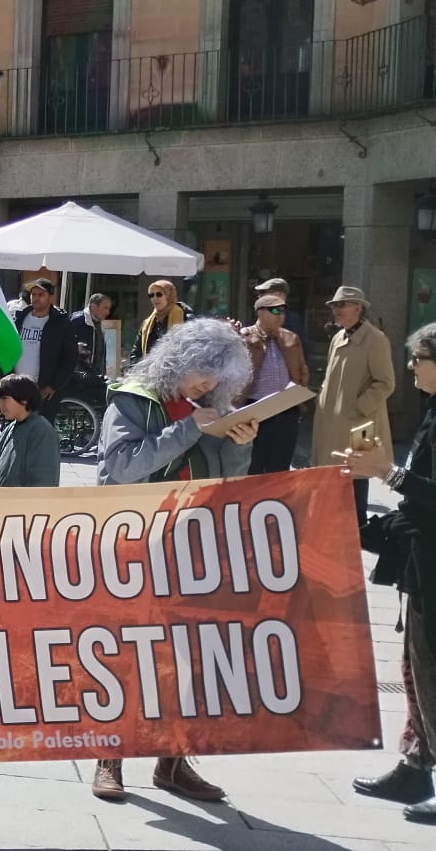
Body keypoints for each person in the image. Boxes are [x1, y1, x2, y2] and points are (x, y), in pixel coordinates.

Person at [92, 317, 259, 802]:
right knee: (128, 653)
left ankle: (173, 761)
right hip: (136, 544)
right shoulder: (133, 398)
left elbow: (226, 481)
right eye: (201, 376)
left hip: (191, 545)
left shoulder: (209, 406)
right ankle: (110, 757)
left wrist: (240, 445)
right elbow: (121, 468)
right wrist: (188, 427)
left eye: (215, 380)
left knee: (189, 654)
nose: (207, 386)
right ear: (178, 362)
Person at [341, 322, 436, 824]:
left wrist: (387, 472)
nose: (412, 368)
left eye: (420, 359)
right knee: (416, 671)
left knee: (432, 670)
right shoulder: (430, 413)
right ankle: (416, 764)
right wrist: (360, 525)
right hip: (420, 560)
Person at [316, 285, 395, 512]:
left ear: (358, 308)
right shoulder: (338, 337)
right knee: (333, 475)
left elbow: (385, 383)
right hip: (333, 420)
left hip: (363, 424)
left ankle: (358, 530)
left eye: (341, 305)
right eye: (333, 305)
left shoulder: (376, 339)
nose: (335, 310)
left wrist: (360, 406)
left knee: (358, 474)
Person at [242, 293, 309, 474]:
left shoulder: (291, 338)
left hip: (285, 410)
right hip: (254, 410)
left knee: (280, 466)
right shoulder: (244, 337)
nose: (280, 314)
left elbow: (302, 370)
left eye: (283, 310)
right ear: (260, 312)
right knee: (252, 465)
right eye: (274, 310)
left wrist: (299, 401)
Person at [13, 278, 80, 402]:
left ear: (50, 297)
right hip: (17, 387)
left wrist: (54, 386)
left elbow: (71, 358)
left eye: (41, 294)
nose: (36, 298)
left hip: (44, 391)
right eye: (33, 294)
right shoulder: (19, 317)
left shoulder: (60, 322)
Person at [0, 374, 61, 487]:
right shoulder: (9, 429)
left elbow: (44, 479)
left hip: (25, 502)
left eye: (5, 398)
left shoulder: (41, 430)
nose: (0, 404)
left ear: (24, 398)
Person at [127, 279, 192, 365]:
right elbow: (136, 353)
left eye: (159, 294)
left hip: (177, 373)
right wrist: (137, 373)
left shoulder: (186, 319)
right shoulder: (147, 323)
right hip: (150, 374)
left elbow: (191, 350)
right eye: (151, 295)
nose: (154, 298)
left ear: (169, 295)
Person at [70, 292, 115, 374]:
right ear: (93, 307)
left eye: (109, 309)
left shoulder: (99, 323)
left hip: (94, 374)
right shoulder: (77, 321)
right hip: (78, 376)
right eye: (105, 308)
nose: (108, 312)